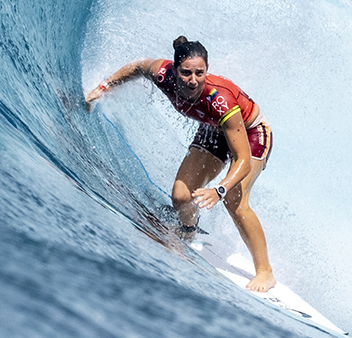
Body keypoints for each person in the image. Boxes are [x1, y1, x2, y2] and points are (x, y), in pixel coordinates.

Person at [84, 36, 277, 292]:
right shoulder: (162, 74)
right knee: (181, 196)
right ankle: (188, 230)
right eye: (186, 72)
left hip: (252, 134)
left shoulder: (220, 100)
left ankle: (265, 271)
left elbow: (241, 160)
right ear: (174, 70)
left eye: (200, 73)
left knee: (234, 200)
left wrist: (220, 189)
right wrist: (105, 87)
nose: (193, 80)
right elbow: (138, 66)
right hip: (215, 130)